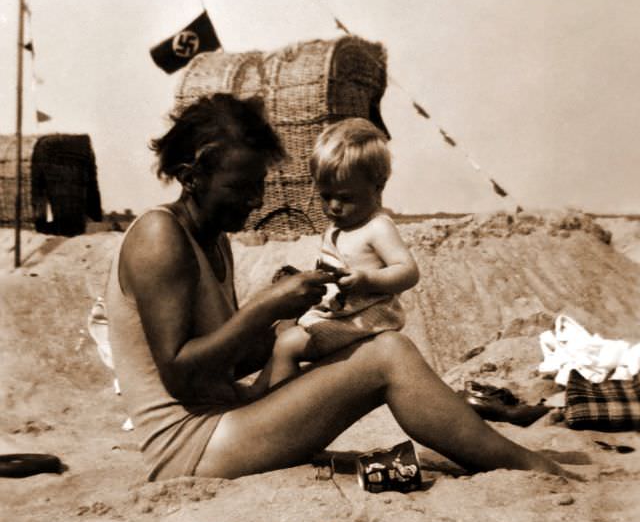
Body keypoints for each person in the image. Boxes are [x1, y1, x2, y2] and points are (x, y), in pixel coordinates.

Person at [106, 93, 571, 481]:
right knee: (388, 355)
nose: (253, 201)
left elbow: (223, 361)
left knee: (376, 344)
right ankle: (524, 465)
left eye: (258, 186)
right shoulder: (159, 236)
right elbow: (180, 372)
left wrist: (295, 315)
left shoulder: (212, 237)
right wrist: (266, 307)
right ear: (191, 178)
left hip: (221, 421)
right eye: (239, 188)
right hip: (189, 447)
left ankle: (510, 460)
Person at [268, 118, 419, 387]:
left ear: (377, 187)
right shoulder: (339, 228)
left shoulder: (377, 228)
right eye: (326, 197)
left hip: (367, 317)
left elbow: (408, 272)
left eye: (346, 198)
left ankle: (277, 403)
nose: (334, 207)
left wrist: (367, 279)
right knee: (280, 326)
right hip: (341, 313)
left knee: (288, 344)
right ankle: (264, 389)